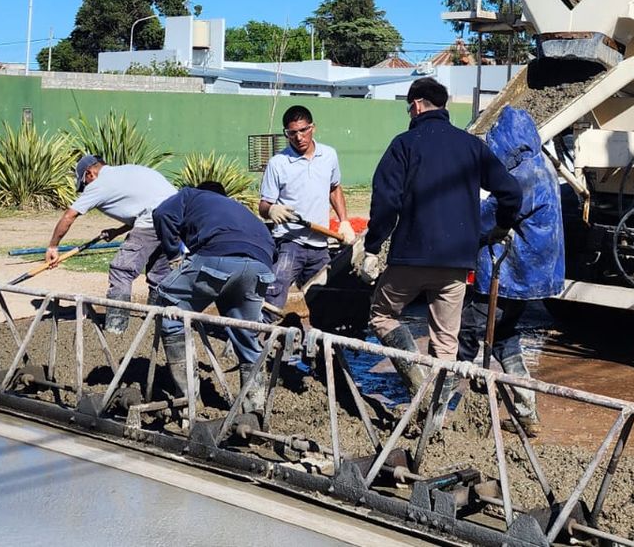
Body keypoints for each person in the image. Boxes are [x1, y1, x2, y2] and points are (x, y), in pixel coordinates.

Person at [358, 77, 523, 399]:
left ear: (417, 105)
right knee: (446, 341)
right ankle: (437, 415)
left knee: (382, 315)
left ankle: (416, 378)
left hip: (411, 257)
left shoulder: (404, 144)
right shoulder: (472, 145)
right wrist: (502, 227)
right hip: (457, 263)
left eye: (410, 107)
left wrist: (373, 248)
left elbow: (386, 200)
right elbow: (511, 191)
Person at [455, 105, 563, 438]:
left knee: (463, 336)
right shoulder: (542, 167)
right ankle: (526, 411)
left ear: (509, 142)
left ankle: (441, 405)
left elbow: (485, 218)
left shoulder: (524, 177)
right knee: (504, 339)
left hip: (511, 275)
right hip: (530, 277)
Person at [152, 181, 277, 411]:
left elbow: (161, 214)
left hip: (217, 254)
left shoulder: (190, 195)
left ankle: (188, 403)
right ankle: (254, 410)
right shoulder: (238, 209)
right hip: (261, 264)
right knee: (245, 332)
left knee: (170, 310)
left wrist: (173, 255)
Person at [46, 153, 176, 332]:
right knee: (159, 271)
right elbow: (145, 206)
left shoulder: (99, 184)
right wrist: (117, 231)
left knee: (121, 270)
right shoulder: (130, 170)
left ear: (90, 173)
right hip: (176, 219)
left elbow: (69, 215)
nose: (86, 189)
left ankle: (116, 325)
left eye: (84, 185)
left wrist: (53, 246)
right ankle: (158, 318)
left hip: (152, 221)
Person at [258, 105, 354, 318]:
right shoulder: (278, 164)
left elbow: (334, 188)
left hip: (320, 244)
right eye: (292, 133)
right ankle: (257, 341)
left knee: (325, 300)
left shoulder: (328, 155)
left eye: (303, 130)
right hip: (290, 241)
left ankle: (322, 347)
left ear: (313, 128)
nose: (298, 137)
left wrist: (344, 221)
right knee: (274, 293)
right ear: (286, 133)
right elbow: (263, 205)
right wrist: (272, 209)